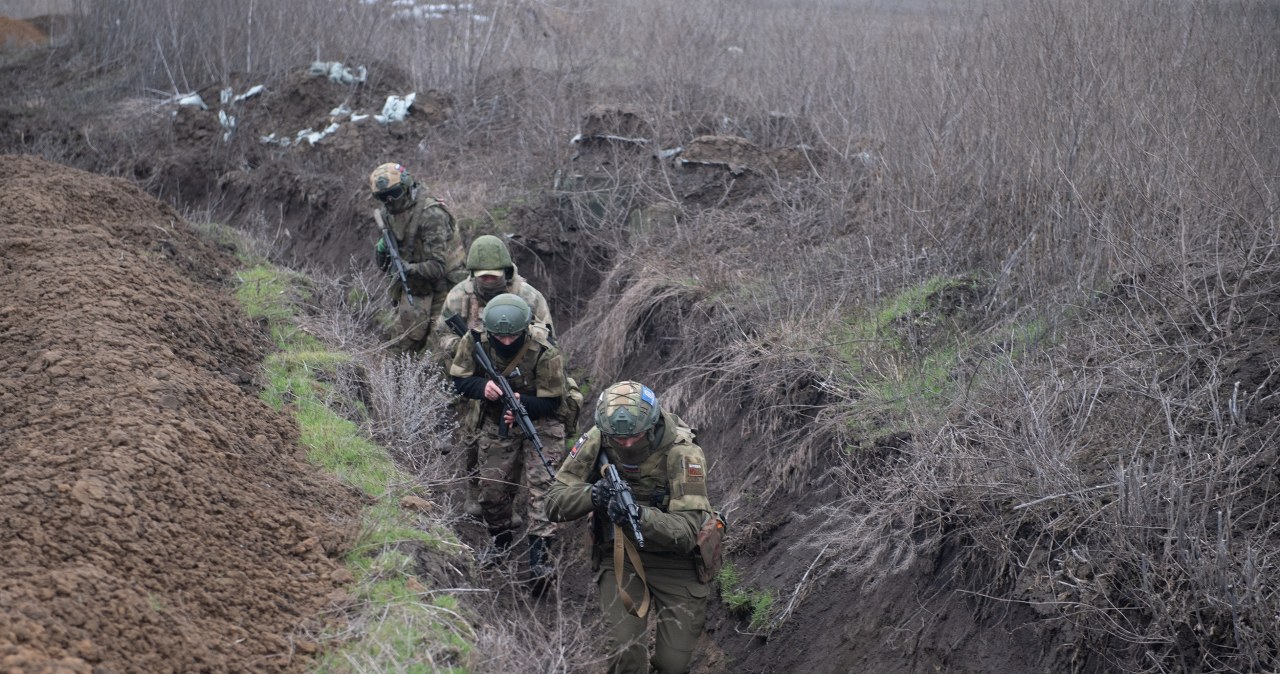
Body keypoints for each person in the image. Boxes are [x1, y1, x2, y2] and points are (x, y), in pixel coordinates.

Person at [546, 381, 717, 674]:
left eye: (634, 437)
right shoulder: (599, 437)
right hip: (619, 556)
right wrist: (594, 495)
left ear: (650, 427)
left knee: (673, 665)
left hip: (677, 563)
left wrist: (639, 516)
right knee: (626, 654)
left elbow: (688, 532)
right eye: (618, 438)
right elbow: (554, 502)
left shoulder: (682, 452)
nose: (625, 444)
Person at [435, 234, 555, 518]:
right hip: (473, 377)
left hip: (517, 379)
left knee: (511, 438)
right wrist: (466, 349)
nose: (488, 282)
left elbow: (548, 341)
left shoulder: (529, 297)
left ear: (506, 271)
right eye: (482, 277)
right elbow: (442, 334)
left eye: (494, 277)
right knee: (473, 436)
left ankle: (507, 499)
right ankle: (475, 492)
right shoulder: (458, 296)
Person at [449, 293, 567, 582]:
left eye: (511, 336)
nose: (505, 342)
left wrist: (521, 402)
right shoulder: (476, 340)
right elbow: (460, 380)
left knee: (542, 486)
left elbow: (553, 401)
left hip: (541, 421)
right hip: (496, 418)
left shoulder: (544, 349)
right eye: (499, 337)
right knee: (491, 491)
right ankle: (500, 541)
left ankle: (540, 558)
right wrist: (483, 387)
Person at [370, 162, 467, 355]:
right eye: (382, 197)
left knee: (439, 351)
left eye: (394, 193)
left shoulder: (431, 214)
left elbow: (438, 267)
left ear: (406, 187)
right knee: (398, 350)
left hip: (445, 289)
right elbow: (383, 266)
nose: (389, 201)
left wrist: (407, 269)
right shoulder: (387, 216)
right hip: (416, 289)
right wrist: (382, 249)